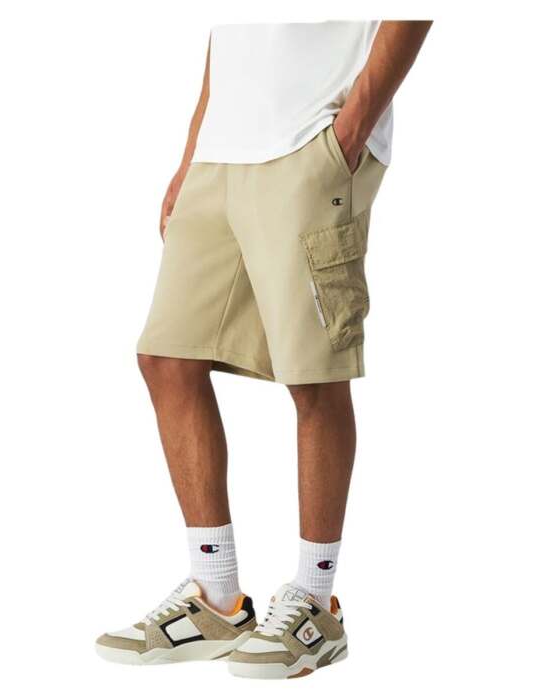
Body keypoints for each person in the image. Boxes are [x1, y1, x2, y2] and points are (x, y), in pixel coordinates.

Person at [96, 19, 432, 679]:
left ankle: (316, 602)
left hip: (313, 140)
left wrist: (353, 128)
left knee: (312, 374)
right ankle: (216, 598)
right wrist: (193, 153)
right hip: (223, 152)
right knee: (167, 357)